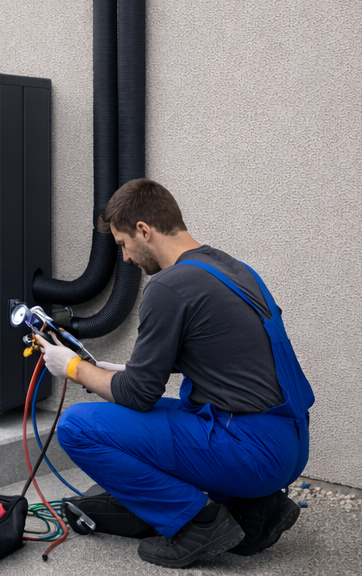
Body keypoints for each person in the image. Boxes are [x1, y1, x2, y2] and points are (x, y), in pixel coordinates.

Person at [38, 179, 314, 569]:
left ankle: (198, 523)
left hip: (253, 452)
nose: (126, 258)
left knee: (78, 426)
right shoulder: (231, 268)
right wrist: (127, 369)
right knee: (157, 413)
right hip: (289, 443)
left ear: (143, 230)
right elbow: (226, 351)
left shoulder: (168, 286)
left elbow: (137, 396)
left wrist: (71, 367)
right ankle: (255, 508)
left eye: (123, 245)